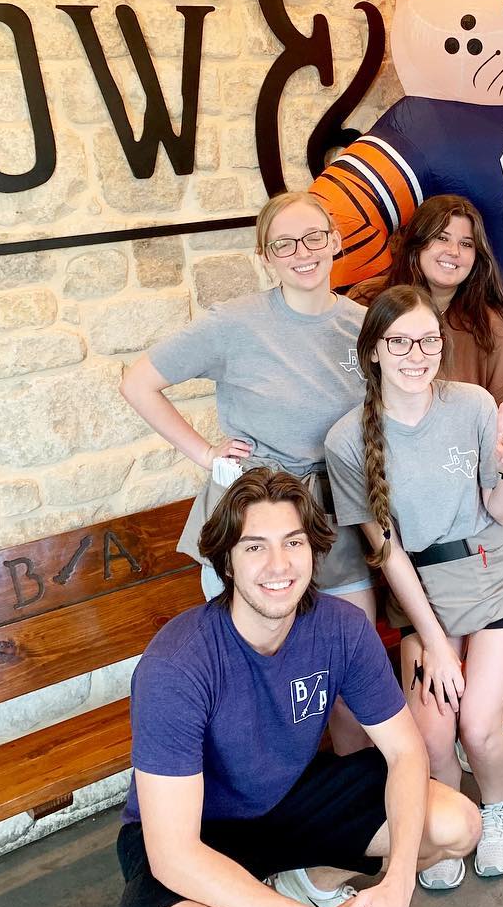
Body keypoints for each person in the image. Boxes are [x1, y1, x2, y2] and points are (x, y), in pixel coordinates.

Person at [116, 467, 480, 907]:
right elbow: (173, 854)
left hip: (289, 799)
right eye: (255, 547)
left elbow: (405, 752)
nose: (279, 565)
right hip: (199, 829)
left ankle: (305, 882)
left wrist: (398, 884)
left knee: (457, 824)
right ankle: (272, 905)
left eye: (293, 542)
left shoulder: (342, 628)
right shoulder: (177, 664)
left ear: (313, 550)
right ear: (228, 562)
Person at [120, 191, 377, 753]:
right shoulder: (234, 324)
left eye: (314, 236)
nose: (302, 252)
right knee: (254, 683)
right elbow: (138, 383)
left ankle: (353, 791)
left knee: (351, 676)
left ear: (335, 240)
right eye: (284, 244)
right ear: (265, 256)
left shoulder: (363, 326)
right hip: (255, 519)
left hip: (336, 514)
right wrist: (204, 454)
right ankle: (266, 797)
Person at [325, 286, 503, 887]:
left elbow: (502, 511)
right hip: (424, 593)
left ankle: (498, 809)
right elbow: (389, 552)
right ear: (374, 350)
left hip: (499, 574)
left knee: (477, 724)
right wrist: (434, 641)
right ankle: (450, 823)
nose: (416, 354)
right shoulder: (347, 439)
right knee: (430, 738)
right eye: (400, 342)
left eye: (428, 341)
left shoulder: (472, 405)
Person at [349, 195, 503, 775]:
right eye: (441, 238)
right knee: (429, 632)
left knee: (498, 618)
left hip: (482, 514)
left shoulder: (489, 329)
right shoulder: (373, 310)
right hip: (406, 518)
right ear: (415, 245)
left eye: (466, 243)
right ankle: (450, 733)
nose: (453, 252)